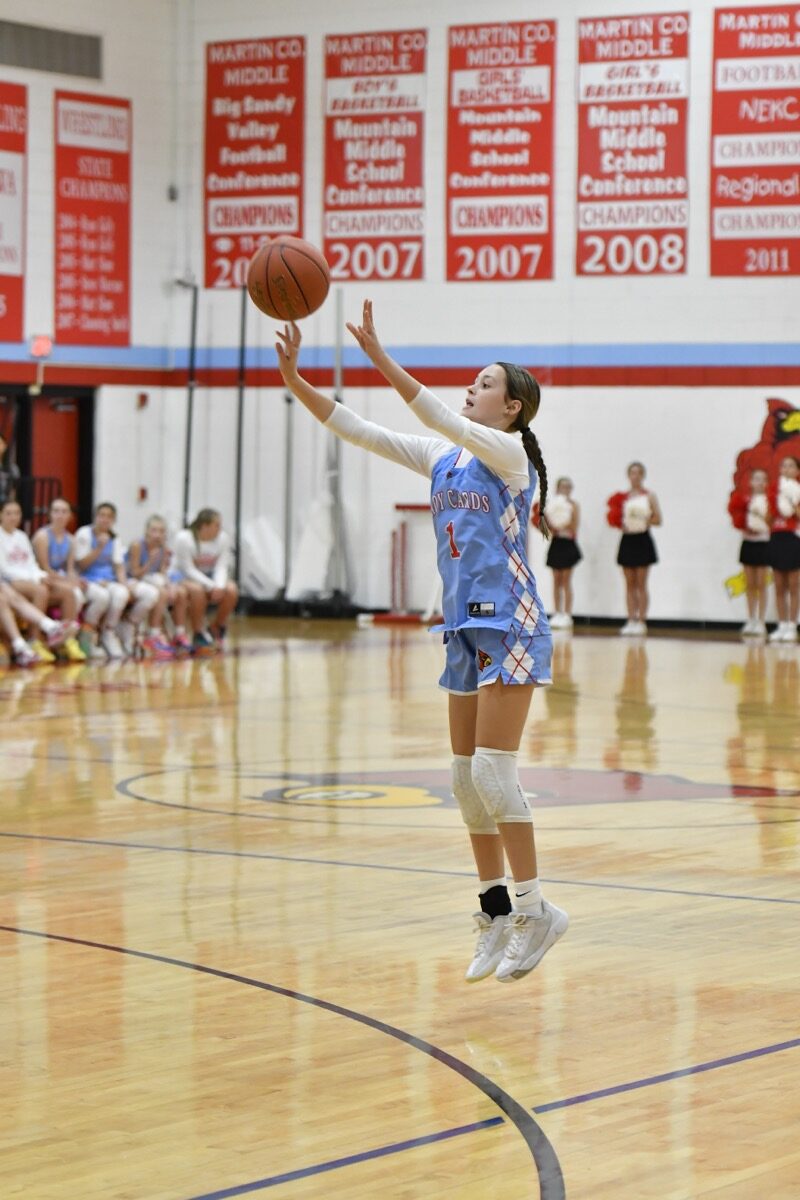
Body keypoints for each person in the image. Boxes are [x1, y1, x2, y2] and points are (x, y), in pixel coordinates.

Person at [275, 301, 568, 985]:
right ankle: (496, 912)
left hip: (513, 624)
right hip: (463, 627)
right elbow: (358, 429)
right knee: (467, 783)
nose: (474, 387)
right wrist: (294, 380)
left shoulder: (506, 455)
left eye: (487, 382)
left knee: (495, 774)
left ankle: (537, 910)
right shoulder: (444, 458)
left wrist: (378, 355)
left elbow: (434, 414)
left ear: (514, 407)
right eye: (475, 379)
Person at [74, 502, 158, 658]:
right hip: (88, 579)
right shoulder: (84, 533)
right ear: (95, 517)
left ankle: (112, 630)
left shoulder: (115, 538)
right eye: (102, 515)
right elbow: (81, 564)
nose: (105, 520)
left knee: (126, 593)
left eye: (109, 517)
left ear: (114, 520)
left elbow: (118, 566)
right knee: (103, 596)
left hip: (108, 580)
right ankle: (87, 637)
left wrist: (124, 584)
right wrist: (98, 548)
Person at [0, 498, 73, 663]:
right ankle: (35, 637)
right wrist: (34, 579)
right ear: (1, 515)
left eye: (17, 513)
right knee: (34, 590)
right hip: (12, 579)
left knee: (66, 591)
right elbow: (4, 570)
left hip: (13, 582)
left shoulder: (21, 536)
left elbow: (31, 564)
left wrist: (40, 576)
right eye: (9, 513)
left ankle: (49, 633)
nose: (13, 517)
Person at [607, 462, 662, 636]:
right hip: (627, 540)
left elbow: (658, 520)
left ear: (642, 475)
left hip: (642, 540)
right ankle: (631, 619)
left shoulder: (649, 496)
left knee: (641, 583)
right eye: (632, 473)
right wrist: (620, 522)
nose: (635, 476)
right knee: (629, 584)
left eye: (638, 473)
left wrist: (644, 520)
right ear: (628, 475)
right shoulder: (622, 498)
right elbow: (616, 518)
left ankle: (642, 621)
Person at [173, 509, 238, 654]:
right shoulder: (184, 538)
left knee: (231, 590)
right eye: (217, 525)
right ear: (204, 526)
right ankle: (198, 632)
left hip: (210, 577)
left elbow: (222, 565)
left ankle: (216, 627)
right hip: (183, 576)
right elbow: (187, 569)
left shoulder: (223, 538)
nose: (220, 528)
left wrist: (219, 586)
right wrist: (211, 586)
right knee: (197, 590)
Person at [30, 497, 88, 661]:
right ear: (49, 514)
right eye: (56, 511)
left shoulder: (71, 539)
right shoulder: (42, 536)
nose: (60, 515)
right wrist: (68, 582)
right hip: (42, 579)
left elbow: (69, 569)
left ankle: (67, 638)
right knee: (71, 591)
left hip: (58, 581)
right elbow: (44, 568)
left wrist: (75, 580)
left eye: (64, 511)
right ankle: (46, 638)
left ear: (70, 515)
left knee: (76, 591)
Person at [126, 515, 191, 657]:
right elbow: (135, 573)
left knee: (181, 592)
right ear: (147, 531)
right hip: (132, 580)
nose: (157, 535)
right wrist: (150, 560)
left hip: (150, 579)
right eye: (154, 530)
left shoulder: (163, 547)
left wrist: (171, 585)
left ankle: (179, 633)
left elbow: (162, 573)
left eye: (161, 531)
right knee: (161, 593)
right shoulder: (137, 545)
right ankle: (153, 634)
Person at [728, 468, 770, 638]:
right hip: (748, 543)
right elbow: (738, 519)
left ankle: (761, 620)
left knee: (761, 583)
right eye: (756, 479)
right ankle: (751, 618)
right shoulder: (744, 500)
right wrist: (744, 526)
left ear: (766, 483)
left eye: (762, 479)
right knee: (750, 584)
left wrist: (761, 520)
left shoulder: (769, 500)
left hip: (763, 543)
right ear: (751, 482)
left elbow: (771, 521)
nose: (759, 482)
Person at [767, 455, 800, 644]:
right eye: (783, 466)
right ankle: (781, 624)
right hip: (776, 538)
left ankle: (792, 626)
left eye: (790, 466)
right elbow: (768, 520)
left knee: (794, 585)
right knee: (779, 586)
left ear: (797, 471)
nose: (786, 469)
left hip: (793, 538)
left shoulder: (798, 491)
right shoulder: (773, 490)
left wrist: (792, 502)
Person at [542, 476, 582, 630]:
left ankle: (567, 614)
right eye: (562, 487)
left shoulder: (573, 505)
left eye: (568, 487)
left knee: (566, 580)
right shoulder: (552, 505)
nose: (565, 489)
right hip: (556, 543)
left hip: (568, 544)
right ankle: (557, 612)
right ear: (557, 488)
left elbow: (573, 526)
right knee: (556, 580)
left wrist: (562, 523)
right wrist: (551, 525)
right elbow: (548, 528)